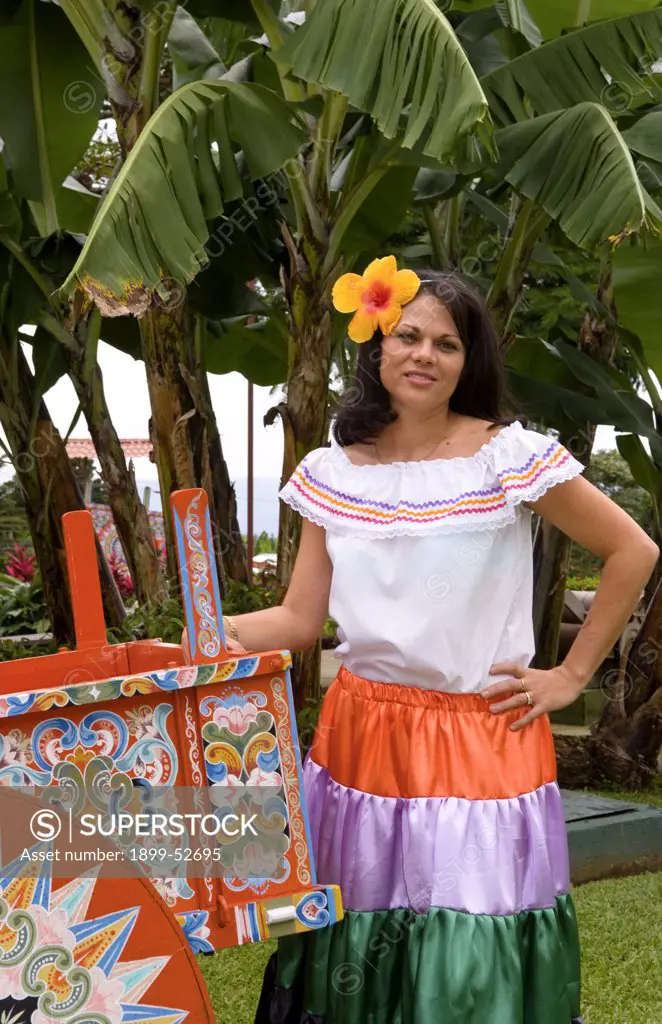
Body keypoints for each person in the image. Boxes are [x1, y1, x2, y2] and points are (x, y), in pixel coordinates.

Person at [222, 259, 659, 1023]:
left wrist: (568, 675)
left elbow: (634, 551)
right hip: (358, 735)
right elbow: (298, 620)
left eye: (448, 344)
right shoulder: (334, 472)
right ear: (376, 347)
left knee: (471, 926)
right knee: (351, 920)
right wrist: (201, 638)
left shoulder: (508, 456)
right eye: (408, 336)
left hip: (479, 734)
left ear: (470, 361)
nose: (424, 355)